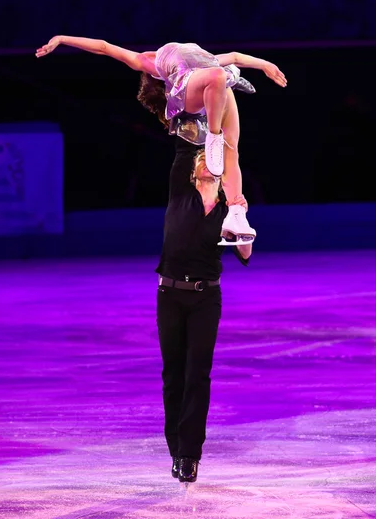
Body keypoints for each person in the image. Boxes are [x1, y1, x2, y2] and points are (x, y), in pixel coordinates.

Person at [36, 36, 287, 244]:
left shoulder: (205, 59)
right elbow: (104, 47)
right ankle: (212, 135)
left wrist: (265, 64)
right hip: (189, 89)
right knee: (219, 77)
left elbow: (233, 55)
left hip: (213, 87)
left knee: (232, 150)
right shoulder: (150, 63)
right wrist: (61, 40)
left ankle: (235, 213)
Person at [155, 134, 253, 483]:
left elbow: (245, 255)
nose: (206, 161)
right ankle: (174, 445)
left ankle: (189, 454)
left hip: (205, 299)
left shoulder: (229, 211)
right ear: (194, 172)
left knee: (197, 374)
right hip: (169, 295)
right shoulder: (180, 193)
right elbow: (184, 148)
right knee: (173, 375)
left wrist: (239, 214)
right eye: (201, 160)